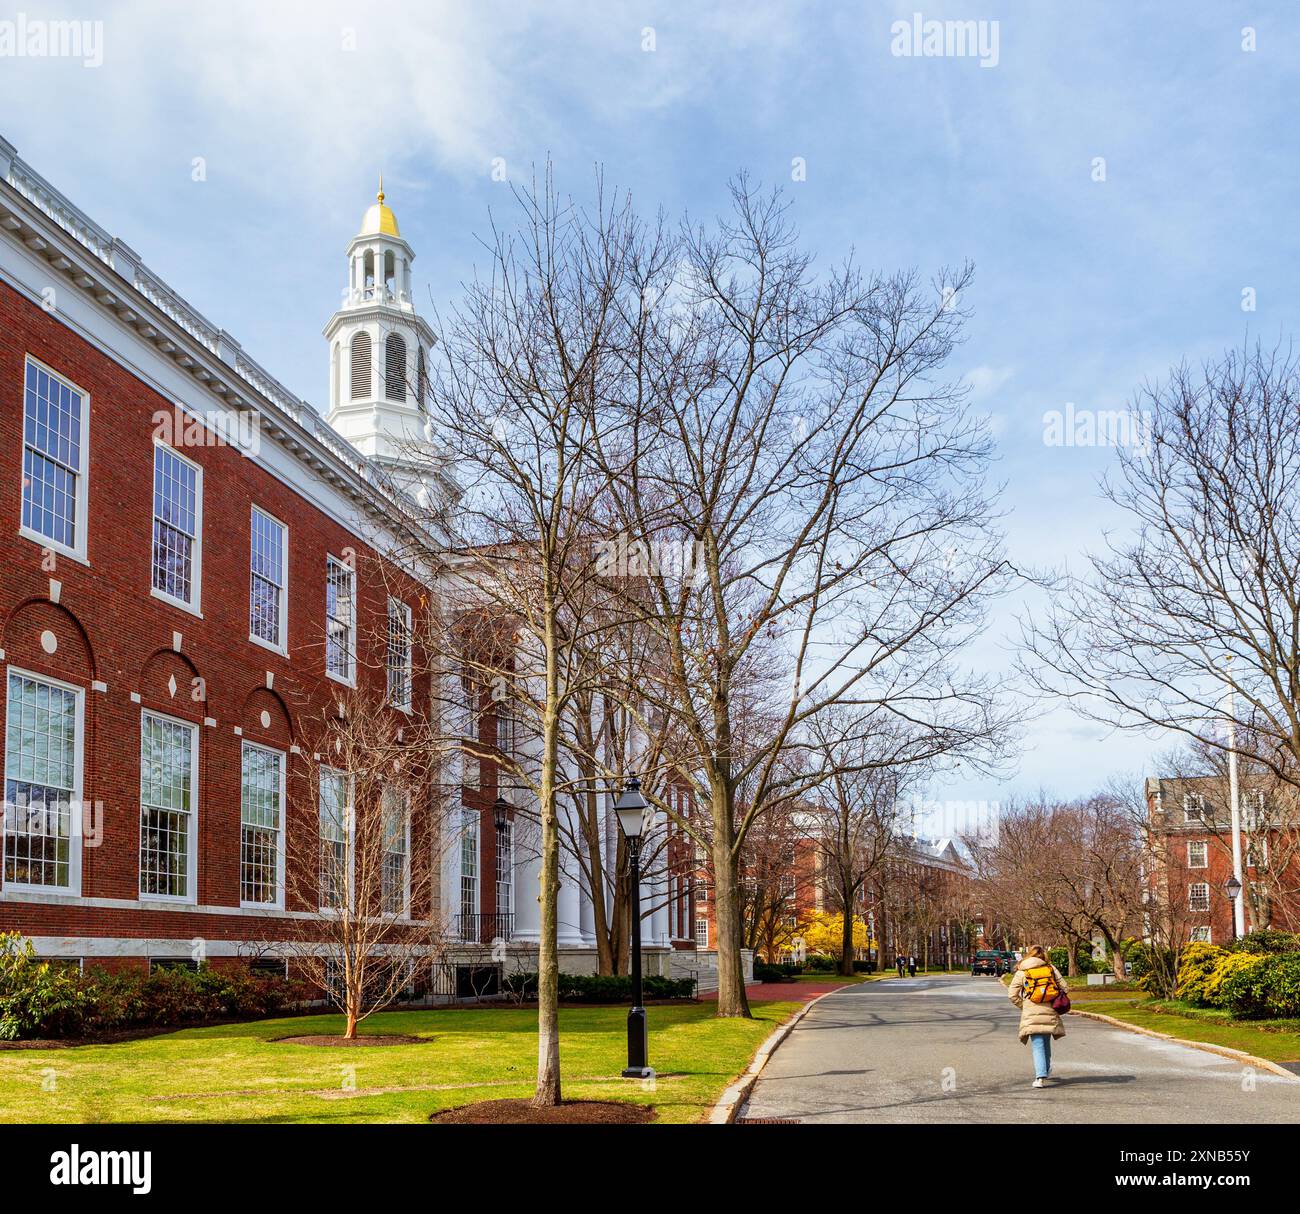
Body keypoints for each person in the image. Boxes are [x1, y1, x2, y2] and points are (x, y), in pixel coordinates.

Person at [1008, 945, 1069, 1087]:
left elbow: (1012, 995)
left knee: (1037, 1044)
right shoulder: (1050, 969)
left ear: (1029, 955)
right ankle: (1045, 1069)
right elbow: (1065, 987)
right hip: (1049, 1010)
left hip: (1031, 1011)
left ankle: (1040, 1077)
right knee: (1045, 1040)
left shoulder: (1022, 971)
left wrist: (1024, 1006)